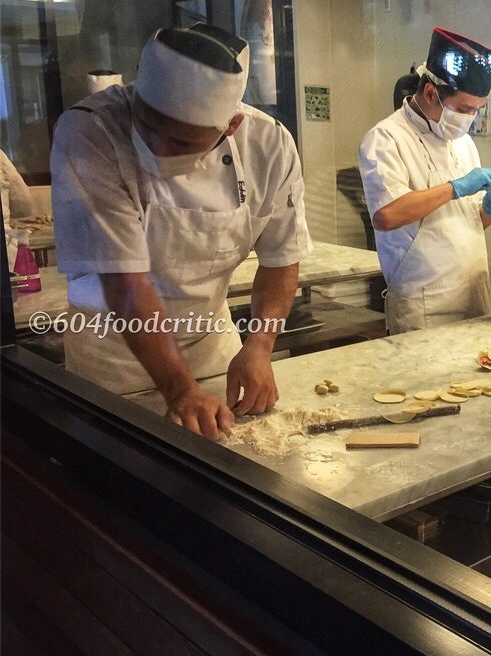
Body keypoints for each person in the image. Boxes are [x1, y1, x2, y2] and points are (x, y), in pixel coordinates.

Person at [51, 23, 312, 439]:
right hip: (113, 359)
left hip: (212, 348)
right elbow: (126, 282)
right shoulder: (90, 130)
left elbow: (282, 258)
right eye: (149, 127)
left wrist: (259, 346)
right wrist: (180, 389)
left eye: (180, 141)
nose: (158, 148)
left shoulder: (270, 145)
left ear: (231, 126)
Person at [359, 27, 491, 334]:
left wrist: (488, 211)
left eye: (477, 110)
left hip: (474, 293)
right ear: (430, 93)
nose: (471, 118)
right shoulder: (387, 138)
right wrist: (454, 188)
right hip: (424, 304)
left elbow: (467, 222)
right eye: (465, 109)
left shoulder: (461, 141)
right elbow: (386, 215)